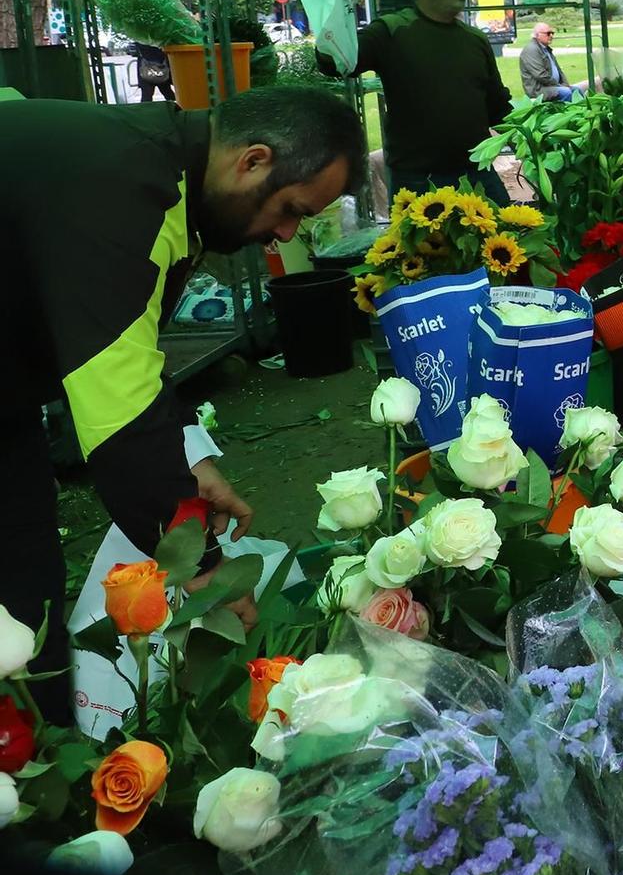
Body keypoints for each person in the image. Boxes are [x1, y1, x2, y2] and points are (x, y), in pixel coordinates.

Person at [0, 86, 365, 720]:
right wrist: (205, 569)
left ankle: (38, 754)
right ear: (251, 161)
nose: (285, 233)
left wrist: (190, 455)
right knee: (19, 579)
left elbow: (130, 348)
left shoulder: (173, 173)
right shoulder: (122, 192)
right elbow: (121, 428)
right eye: (289, 210)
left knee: (25, 584)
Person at [318, 0, 512, 202]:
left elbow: (497, 106)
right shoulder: (391, 31)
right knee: (423, 243)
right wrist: (338, 2)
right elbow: (333, 63)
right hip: (417, 180)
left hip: (477, 173)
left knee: (505, 238)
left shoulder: (475, 39)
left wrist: (530, 142)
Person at [520, 22, 581, 102]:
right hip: (538, 90)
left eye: (552, 33)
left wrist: (565, 84)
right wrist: (559, 85)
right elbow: (541, 75)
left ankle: (585, 112)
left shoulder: (545, 48)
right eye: (548, 33)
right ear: (538, 35)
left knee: (576, 90)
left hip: (551, 86)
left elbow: (559, 71)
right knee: (566, 92)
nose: (551, 36)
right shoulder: (531, 50)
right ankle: (565, 113)